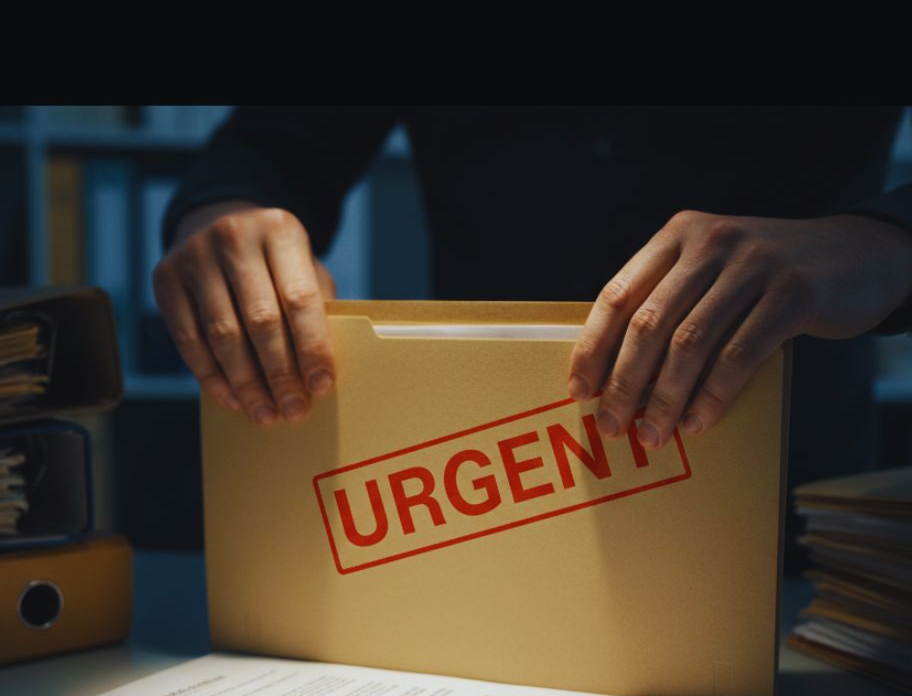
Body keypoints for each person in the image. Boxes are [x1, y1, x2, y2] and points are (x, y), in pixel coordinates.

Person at [154, 107, 912, 462]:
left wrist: (881, 243)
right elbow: (270, 144)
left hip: (789, 510)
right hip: (478, 487)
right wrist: (223, 221)